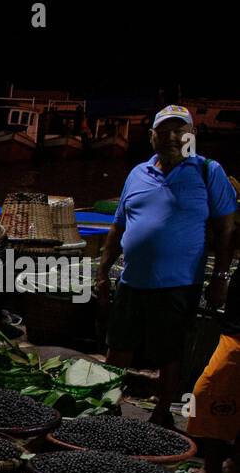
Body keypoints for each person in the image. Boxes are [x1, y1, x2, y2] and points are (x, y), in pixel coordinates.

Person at [96, 105, 237, 428]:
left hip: (179, 284)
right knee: (118, 346)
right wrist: (103, 272)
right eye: (164, 131)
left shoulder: (208, 171)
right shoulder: (137, 173)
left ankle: (162, 413)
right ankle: (107, 407)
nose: (172, 137)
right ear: (151, 137)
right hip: (132, 280)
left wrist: (220, 276)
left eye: (179, 130)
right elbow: (118, 227)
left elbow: (226, 230)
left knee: (170, 352)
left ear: (192, 134)